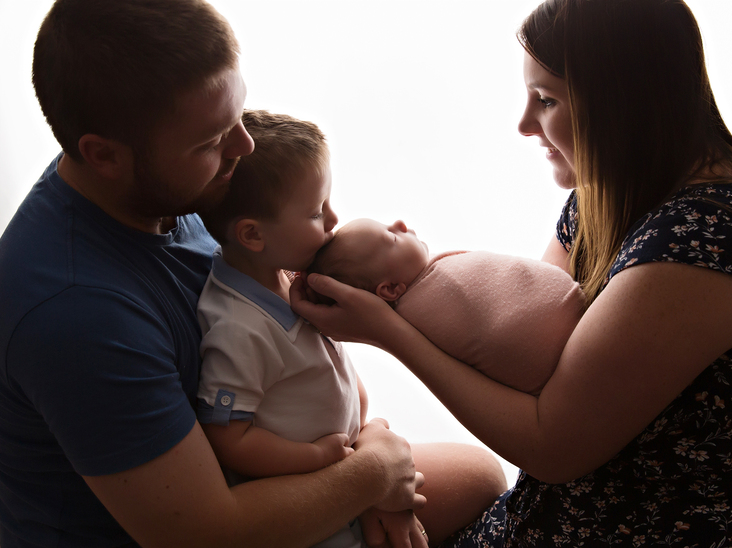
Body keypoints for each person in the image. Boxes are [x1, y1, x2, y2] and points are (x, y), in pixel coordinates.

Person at [291, 0, 732, 545]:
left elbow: (552, 446)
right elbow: (519, 357)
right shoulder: (604, 199)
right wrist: (376, 465)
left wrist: (388, 331)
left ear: (623, 103)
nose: (523, 124)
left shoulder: (707, 239)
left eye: (546, 100)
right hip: (546, 518)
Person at [0, 2, 454, 547]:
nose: (245, 146)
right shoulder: (73, 312)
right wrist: (376, 475)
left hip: (283, 467)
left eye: (236, 117)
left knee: (477, 474)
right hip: (199, 522)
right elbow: (207, 534)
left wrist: (376, 447)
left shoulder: (178, 185)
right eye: (212, 141)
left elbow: (302, 352)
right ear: (104, 156)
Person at [195, 109, 508, 548]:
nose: (332, 218)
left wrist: (370, 440)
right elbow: (229, 438)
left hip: (351, 465)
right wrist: (323, 462)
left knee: (483, 476)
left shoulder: (284, 279)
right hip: (308, 509)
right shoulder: (239, 329)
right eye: (315, 212)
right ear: (252, 235)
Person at [307, 217, 584, 394]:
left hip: (574, 342)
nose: (400, 224)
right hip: (567, 347)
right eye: (391, 237)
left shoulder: (414, 316)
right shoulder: (419, 317)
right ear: (390, 289)